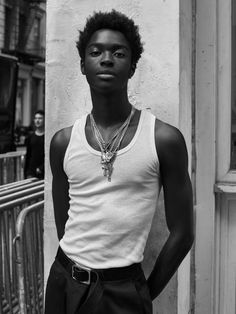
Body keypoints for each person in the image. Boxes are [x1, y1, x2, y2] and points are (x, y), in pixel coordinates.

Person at [45, 10, 194, 314]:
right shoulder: (62, 142)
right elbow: (65, 223)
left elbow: (183, 232)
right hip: (64, 284)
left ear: (132, 66)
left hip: (123, 291)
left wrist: (143, 293)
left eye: (119, 52)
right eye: (96, 52)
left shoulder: (163, 139)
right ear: (83, 66)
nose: (107, 59)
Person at [24, 110, 45, 179]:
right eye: (36, 118)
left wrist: (42, 168)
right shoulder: (30, 137)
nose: (37, 120)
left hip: (43, 172)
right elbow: (28, 155)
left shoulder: (47, 137)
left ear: (45, 120)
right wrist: (26, 172)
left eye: (40, 118)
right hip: (31, 172)